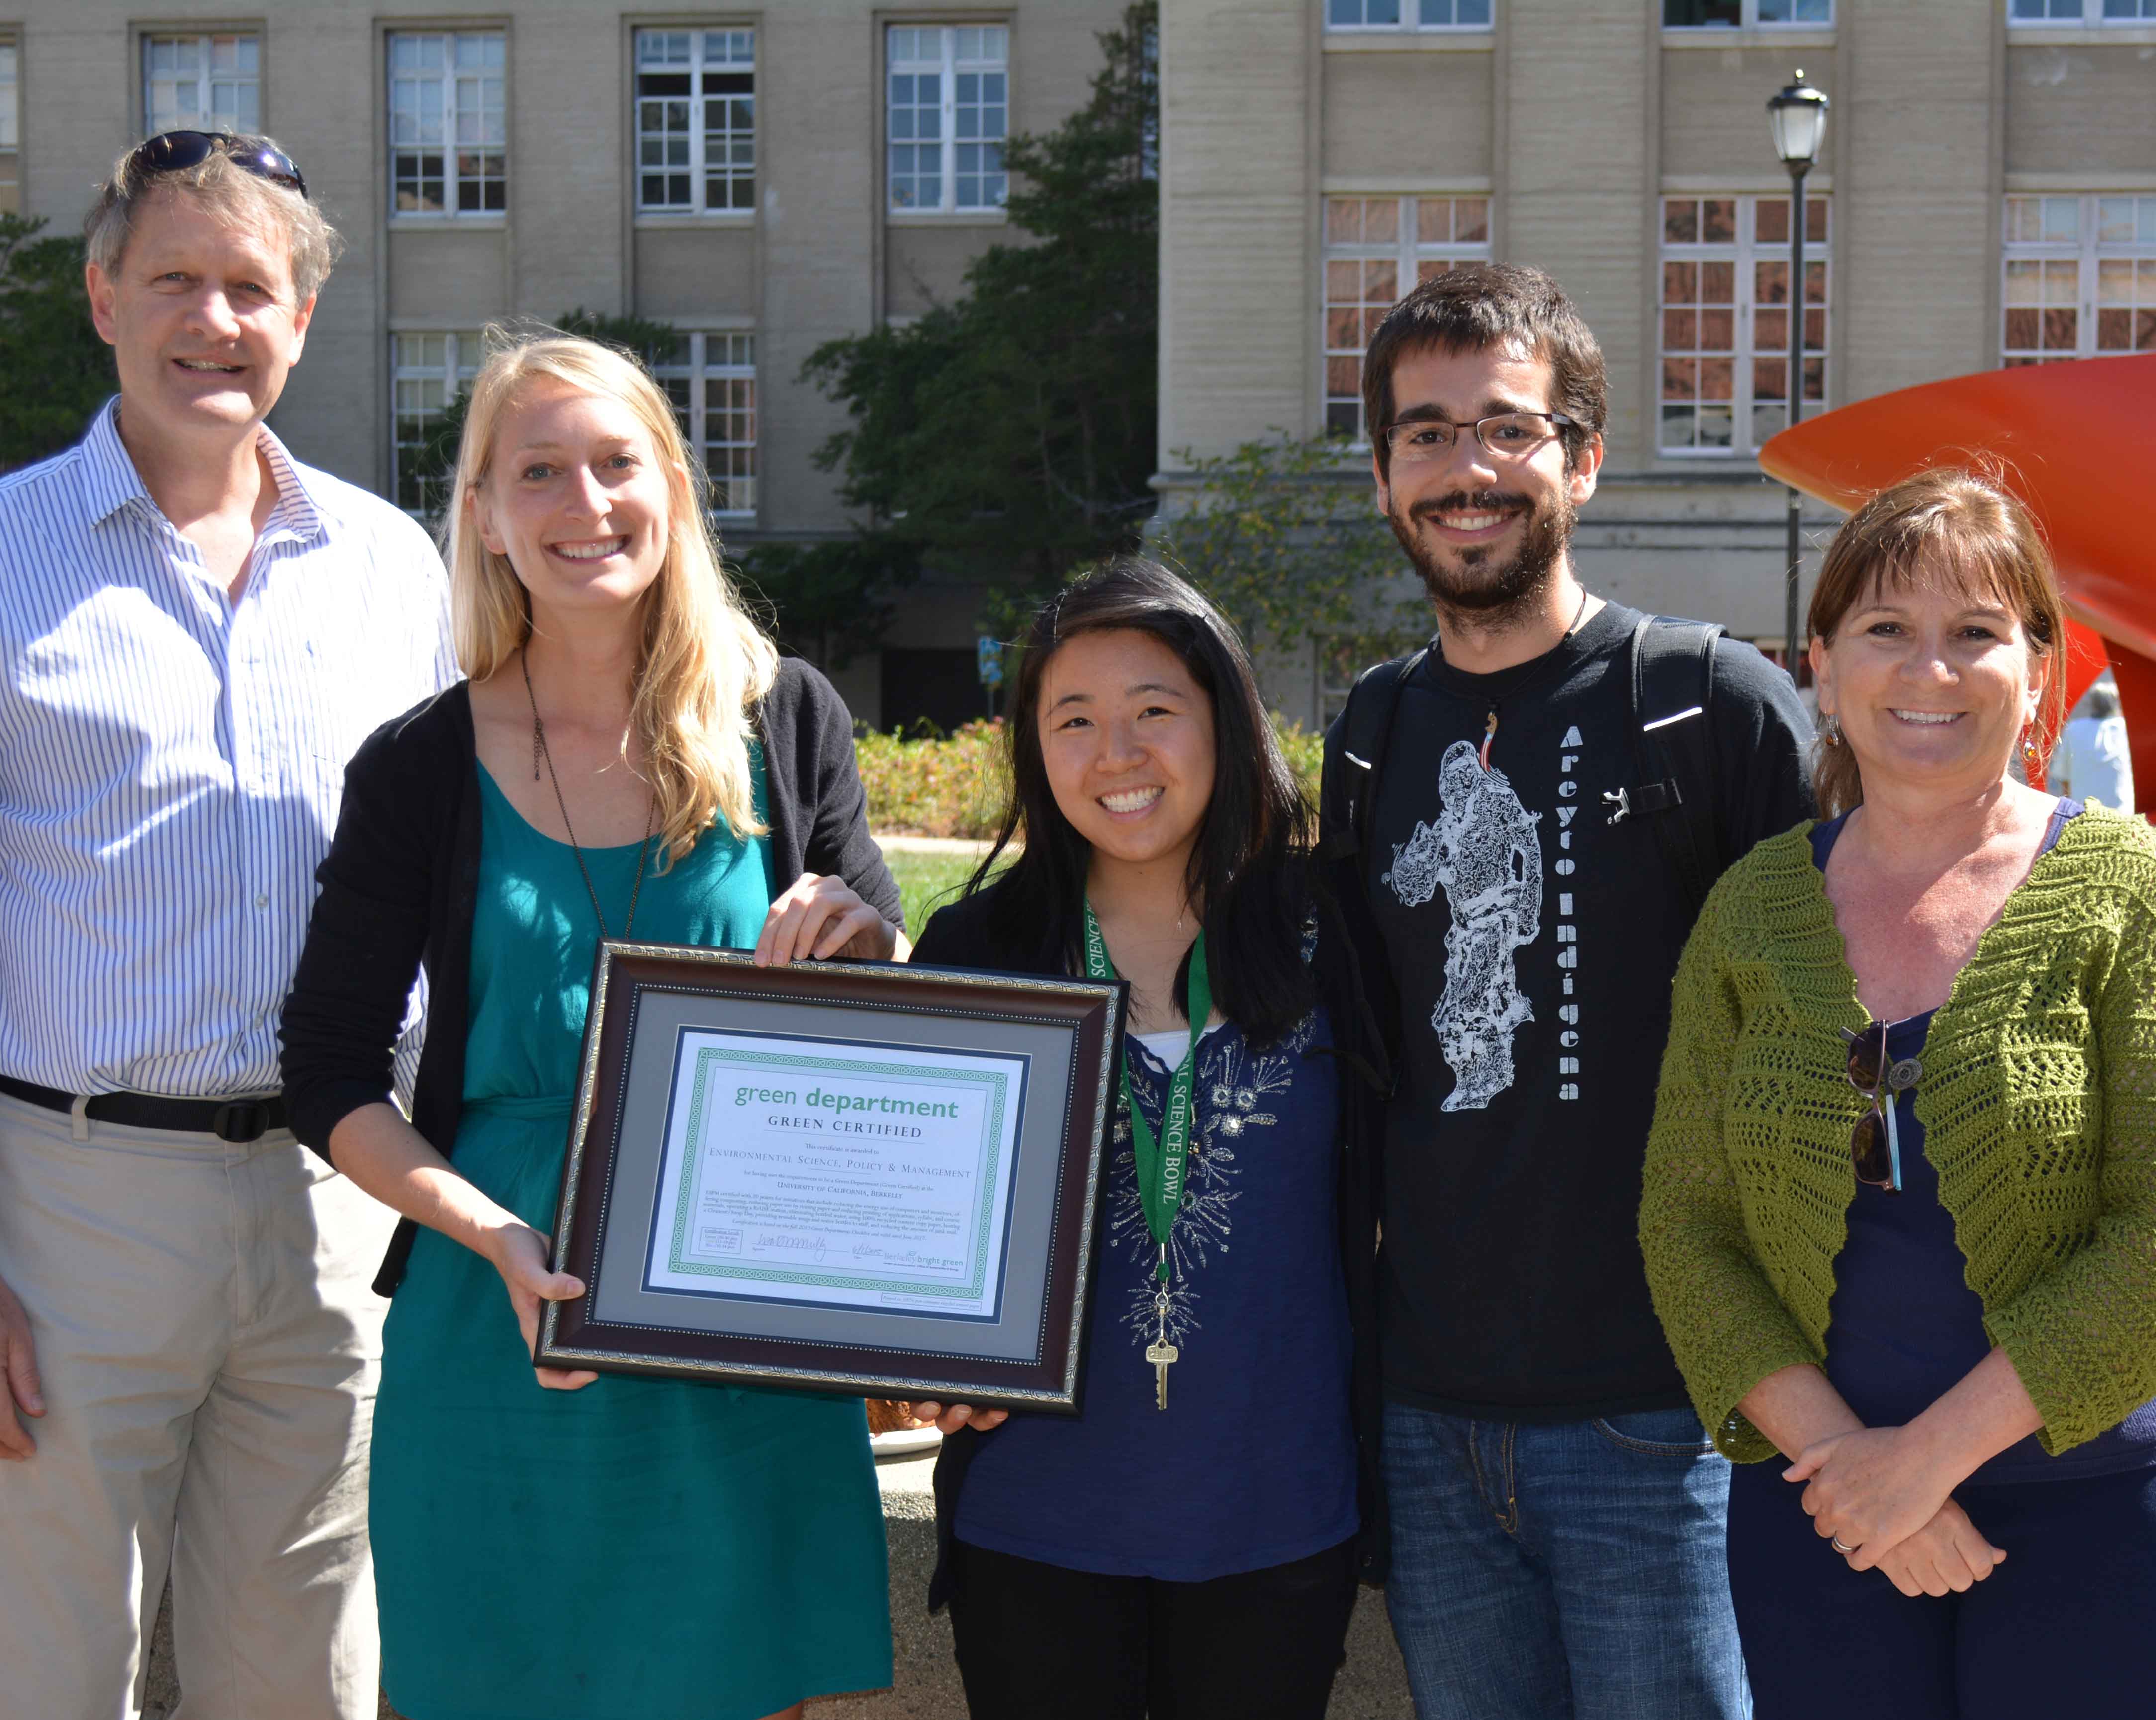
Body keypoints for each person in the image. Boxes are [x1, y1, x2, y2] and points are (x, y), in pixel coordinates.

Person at [277, 333, 900, 1720]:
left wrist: (861, 937)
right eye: (538, 472)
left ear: (673, 489)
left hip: (742, 1328)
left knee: (740, 1689)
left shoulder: (786, 718)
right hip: (504, 1323)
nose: (585, 503)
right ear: (486, 515)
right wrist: (487, 1228)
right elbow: (324, 1067)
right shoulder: (419, 764)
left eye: (618, 463)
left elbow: (899, 999)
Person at [1316, 262, 1815, 1720]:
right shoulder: (1371, 726)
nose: (1463, 468)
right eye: (1422, 432)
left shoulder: (1708, 705)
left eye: (1504, 427)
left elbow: (1835, 1039)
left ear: (1580, 459)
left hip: (1662, 1409)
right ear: (1380, 473)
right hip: (1426, 1411)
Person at [0, 133, 454, 1718]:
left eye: (251, 286)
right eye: (175, 278)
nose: (214, 318)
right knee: (47, 1671)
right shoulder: (4, 557)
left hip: (339, 1204)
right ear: (102, 295)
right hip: (70, 1206)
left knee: (306, 1678)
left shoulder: (394, 568)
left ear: (305, 318)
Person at [1639, 467, 2156, 1719]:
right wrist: (1849, 1471)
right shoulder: (1752, 909)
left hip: (2086, 1514)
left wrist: (1920, 1464)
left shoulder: (2124, 891)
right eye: (1885, 630)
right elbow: (1685, 1226)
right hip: (1815, 1517)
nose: (1929, 670)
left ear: (2039, 666)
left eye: (1975, 633)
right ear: (1819, 661)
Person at [902, 558, 1368, 1720]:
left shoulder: (1328, 932)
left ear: (1224, 715)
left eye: (1153, 711)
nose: (1116, 753)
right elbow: (913, 1221)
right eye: (1074, 720)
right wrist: (909, 1366)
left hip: (1274, 1513)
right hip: (1035, 1516)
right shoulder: (979, 944)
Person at [2052, 673, 2134, 813]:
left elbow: (2063, 776)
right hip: (2122, 812)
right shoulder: (2125, 729)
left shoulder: (2075, 729)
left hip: (2084, 812)